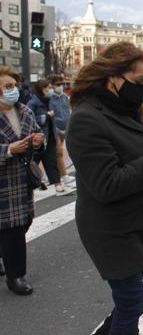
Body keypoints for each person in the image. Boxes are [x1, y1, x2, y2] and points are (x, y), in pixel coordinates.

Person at [65, 42, 143, 334]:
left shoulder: (127, 108)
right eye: (139, 81)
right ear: (113, 77)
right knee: (131, 298)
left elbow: (139, 156)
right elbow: (106, 184)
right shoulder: (86, 118)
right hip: (112, 227)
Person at [0, 66, 45, 295]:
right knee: (12, 231)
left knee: (23, 223)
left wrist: (38, 141)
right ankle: (15, 276)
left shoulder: (24, 110)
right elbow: (10, 147)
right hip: (3, 183)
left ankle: (5, 258)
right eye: (8, 86)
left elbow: (38, 134)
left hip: (22, 180)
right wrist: (8, 149)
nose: (13, 90)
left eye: (14, 85)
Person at [27, 80, 75, 196]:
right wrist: (46, 116)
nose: (49, 91)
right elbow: (30, 120)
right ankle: (30, 188)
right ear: (41, 89)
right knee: (33, 163)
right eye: (47, 88)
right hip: (38, 139)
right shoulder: (33, 103)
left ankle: (58, 186)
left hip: (51, 136)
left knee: (51, 161)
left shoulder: (49, 101)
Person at [48, 74, 75, 187]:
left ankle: (58, 175)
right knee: (59, 152)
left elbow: (68, 111)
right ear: (52, 85)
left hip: (65, 127)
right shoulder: (49, 98)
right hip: (55, 129)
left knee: (57, 153)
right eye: (58, 84)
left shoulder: (64, 96)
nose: (61, 86)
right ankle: (63, 176)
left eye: (62, 84)